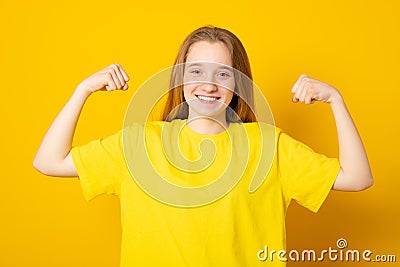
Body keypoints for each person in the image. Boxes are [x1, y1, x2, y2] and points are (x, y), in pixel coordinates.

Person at [33, 26, 373, 266]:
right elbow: (49, 161)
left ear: (238, 81)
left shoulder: (269, 146)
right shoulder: (138, 142)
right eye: (196, 71)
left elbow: (357, 178)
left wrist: (336, 101)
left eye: (222, 73)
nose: (208, 85)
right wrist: (83, 90)